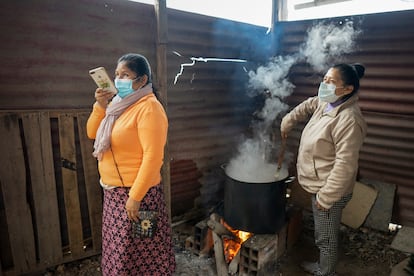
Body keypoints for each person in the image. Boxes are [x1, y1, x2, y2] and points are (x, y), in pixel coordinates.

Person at [86, 53, 176, 275]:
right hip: (115, 194)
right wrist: (100, 105)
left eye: (125, 75)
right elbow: (92, 133)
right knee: (121, 251)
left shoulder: (150, 108)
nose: (118, 80)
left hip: (140, 196)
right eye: (116, 74)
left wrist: (135, 198)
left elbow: (153, 157)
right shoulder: (118, 105)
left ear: (142, 80)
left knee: (144, 252)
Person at [280, 63, 367, 276]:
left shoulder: (349, 120)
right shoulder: (327, 102)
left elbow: (345, 167)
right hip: (320, 183)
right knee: (324, 231)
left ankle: (326, 271)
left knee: (325, 237)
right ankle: (324, 266)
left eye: (330, 82)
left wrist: (326, 198)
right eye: (324, 79)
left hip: (330, 190)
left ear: (347, 89)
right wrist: (288, 120)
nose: (324, 85)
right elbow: (308, 105)